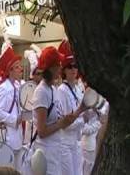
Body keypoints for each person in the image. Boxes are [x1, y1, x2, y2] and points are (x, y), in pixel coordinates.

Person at [32, 46, 87, 175]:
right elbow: (42, 131)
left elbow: (60, 121)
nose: (61, 68)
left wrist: (80, 110)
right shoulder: (41, 91)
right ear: (52, 68)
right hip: (45, 153)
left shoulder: (52, 89)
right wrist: (61, 124)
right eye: (59, 64)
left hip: (54, 150)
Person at [57, 40, 85, 175]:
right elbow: (65, 123)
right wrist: (83, 119)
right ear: (64, 70)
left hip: (77, 141)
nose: (73, 69)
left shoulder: (79, 89)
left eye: (75, 66)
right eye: (70, 67)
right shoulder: (62, 90)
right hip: (65, 144)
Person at [0, 47, 24, 170]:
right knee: (8, 168)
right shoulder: (3, 88)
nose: (20, 69)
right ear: (10, 71)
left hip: (18, 133)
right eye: (17, 67)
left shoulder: (18, 85)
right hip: (8, 134)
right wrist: (13, 119)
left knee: (18, 168)